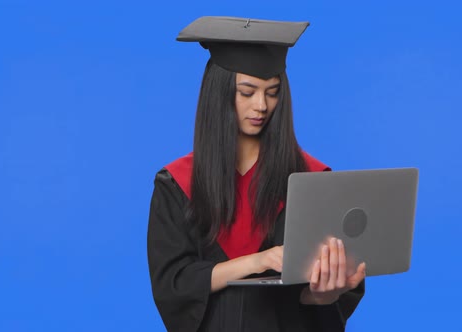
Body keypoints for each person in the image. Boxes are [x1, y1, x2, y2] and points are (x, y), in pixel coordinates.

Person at [147, 16, 366, 332]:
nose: (262, 105)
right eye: (247, 92)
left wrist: (324, 295)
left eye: (272, 92)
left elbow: (319, 300)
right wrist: (256, 262)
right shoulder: (176, 183)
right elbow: (173, 285)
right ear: (219, 94)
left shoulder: (312, 180)